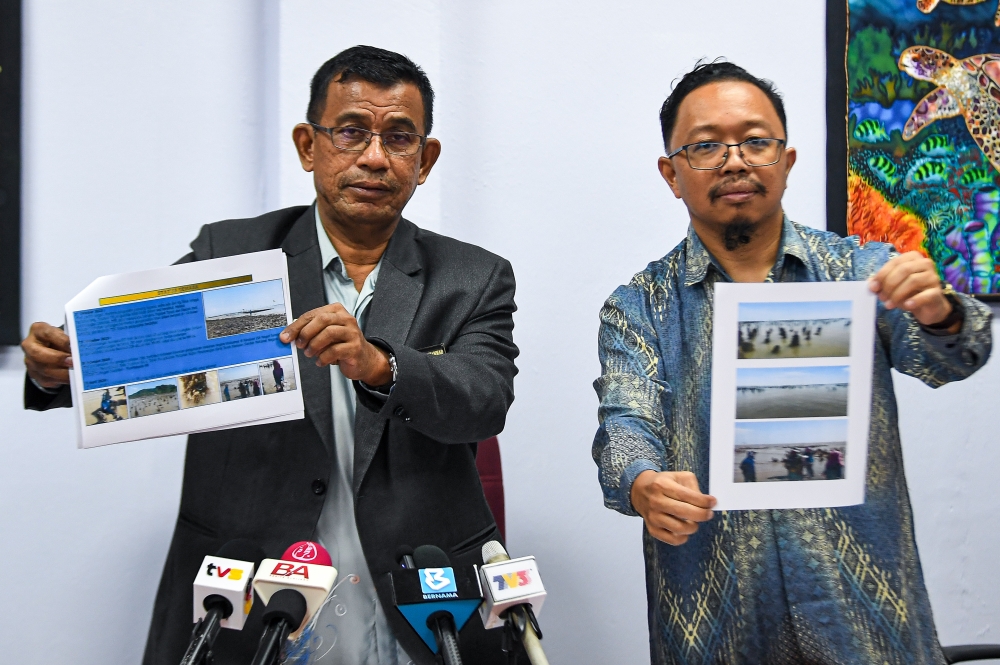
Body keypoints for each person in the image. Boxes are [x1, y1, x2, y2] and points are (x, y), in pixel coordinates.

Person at [22, 46, 518, 665]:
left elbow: (485, 396)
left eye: (398, 137)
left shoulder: (472, 276)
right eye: (350, 132)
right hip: (255, 592)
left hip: (416, 591)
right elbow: (147, 361)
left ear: (426, 159)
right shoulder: (231, 255)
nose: (373, 156)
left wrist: (380, 365)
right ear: (309, 146)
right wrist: (59, 370)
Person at [592, 60, 991, 664]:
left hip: (867, 619)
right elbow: (626, 420)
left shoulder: (861, 272)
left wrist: (942, 314)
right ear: (671, 174)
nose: (734, 160)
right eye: (704, 146)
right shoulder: (637, 306)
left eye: (756, 141)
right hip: (716, 624)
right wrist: (640, 482)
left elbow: (957, 355)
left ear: (787, 160)